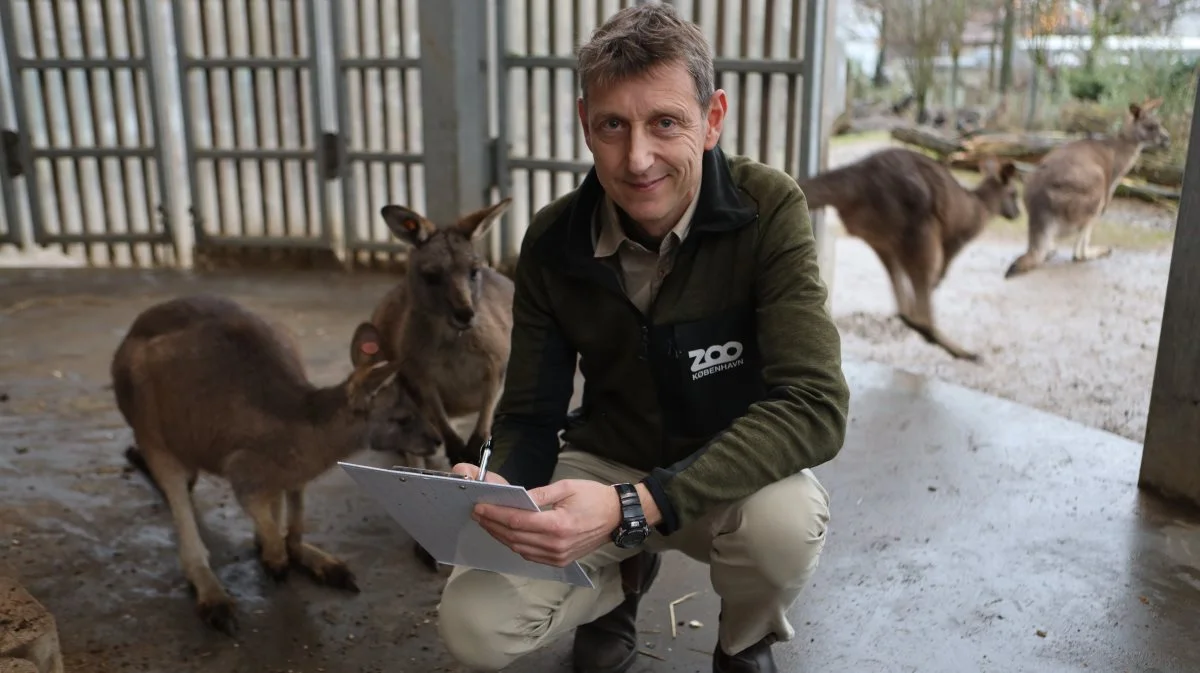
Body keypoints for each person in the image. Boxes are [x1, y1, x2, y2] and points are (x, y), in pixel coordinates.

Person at [436, 4, 850, 672]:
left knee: (783, 527)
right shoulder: (552, 239)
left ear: (712, 119)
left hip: (727, 472)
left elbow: (815, 405)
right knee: (473, 625)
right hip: (606, 460)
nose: (637, 158)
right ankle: (615, 590)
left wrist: (634, 506)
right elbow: (533, 413)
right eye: (612, 126)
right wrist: (501, 491)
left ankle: (743, 639)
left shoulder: (768, 209)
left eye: (665, 122)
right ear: (585, 125)